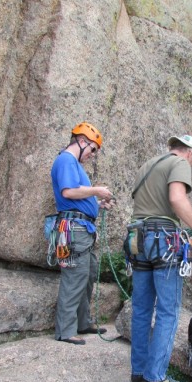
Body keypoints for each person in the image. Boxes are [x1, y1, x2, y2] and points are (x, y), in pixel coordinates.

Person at [129, 134, 192, 382]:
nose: (191, 166)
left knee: (142, 308)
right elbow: (177, 199)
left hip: (137, 239)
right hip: (163, 240)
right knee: (168, 310)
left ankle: (139, 370)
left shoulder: (148, 164)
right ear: (190, 153)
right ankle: (156, 378)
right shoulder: (180, 163)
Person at [50, 122, 115, 345]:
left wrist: (96, 203)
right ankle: (66, 331)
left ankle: (82, 322)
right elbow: (68, 191)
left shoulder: (73, 164)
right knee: (75, 276)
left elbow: (77, 197)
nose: (92, 155)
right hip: (74, 230)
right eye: (93, 149)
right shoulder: (66, 160)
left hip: (82, 229)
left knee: (88, 273)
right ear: (82, 141)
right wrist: (97, 190)